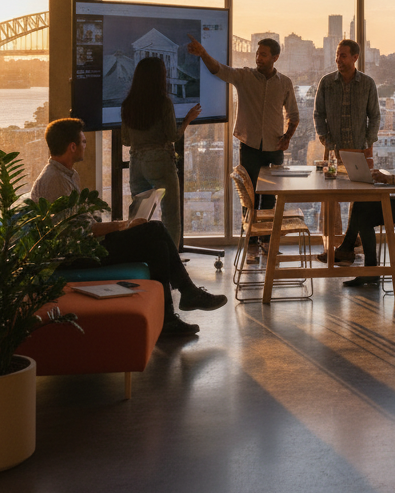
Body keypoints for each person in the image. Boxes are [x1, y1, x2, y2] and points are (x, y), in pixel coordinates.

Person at [31, 118, 226, 337]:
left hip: (84, 246)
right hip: (74, 255)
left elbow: (82, 223)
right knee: (155, 231)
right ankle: (186, 296)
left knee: (157, 244)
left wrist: (121, 227)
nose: (86, 145)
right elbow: (78, 232)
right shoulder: (55, 181)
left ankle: (170, 317)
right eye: (84, 141)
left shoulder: (67, 175)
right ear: (72, 147)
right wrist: (124, 225)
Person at [321, 99, 395, 288]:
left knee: (363, 210)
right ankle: (360, 260)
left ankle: (359, 260)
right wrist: (387, 177)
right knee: (362, 205)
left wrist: (391, 179)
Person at [188, 35, 298, 214]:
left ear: (275, 58)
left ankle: (266, 239)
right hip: (249, 147)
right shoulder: (244, 76)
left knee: (270, 199)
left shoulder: (285, 83)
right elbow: (219, 70)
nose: (258, 58)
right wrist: (203, 54)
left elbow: (293, 115)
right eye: (257, 54)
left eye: (263, 55)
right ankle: (251, 240)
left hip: (274, 149)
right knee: (249, 198)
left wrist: (287, 137)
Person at [120, 56, 201, 248]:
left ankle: (137, 255)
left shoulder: (127, 104)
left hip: (136, 161)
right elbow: (173, 135)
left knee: (138, 215)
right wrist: (187, 120)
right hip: (160, 160)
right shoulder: (164, 102)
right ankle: (170, 260)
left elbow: (125, 140)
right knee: (170, 214)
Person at [313, 38, 381, 248]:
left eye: (343, 55)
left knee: (358, 199)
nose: (338, 60)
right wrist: (325, 140)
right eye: (337, 55)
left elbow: (375, 116)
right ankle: (332, 244)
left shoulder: (368, 84)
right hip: (332, 151)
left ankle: (353, 243)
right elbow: (318, 114)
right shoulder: (326, 83)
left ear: (355, 58)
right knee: (330, 199)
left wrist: (367, 142)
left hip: (359, 151)